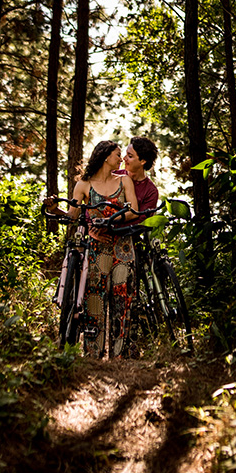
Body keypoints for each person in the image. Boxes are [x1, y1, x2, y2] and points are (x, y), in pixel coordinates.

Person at [46, 140, 139, 358]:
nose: (120, 159)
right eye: (117, 154)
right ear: (106, 157)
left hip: (123, 246)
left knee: (122, 297)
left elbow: (134, 211)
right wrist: (54, 209)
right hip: (97, 248)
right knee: (94, 298)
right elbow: (72, 216)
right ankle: (92, 354)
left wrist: (110, 222)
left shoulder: (124, 180)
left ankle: (120, 355)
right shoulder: (83, 185)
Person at [115, 136, 159, 219]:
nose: (124, 159)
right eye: (126, 154)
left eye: (130, 156)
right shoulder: (114, 175)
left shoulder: (150, 191)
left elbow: (141, 222)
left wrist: (110, 226)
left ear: (143, 161)